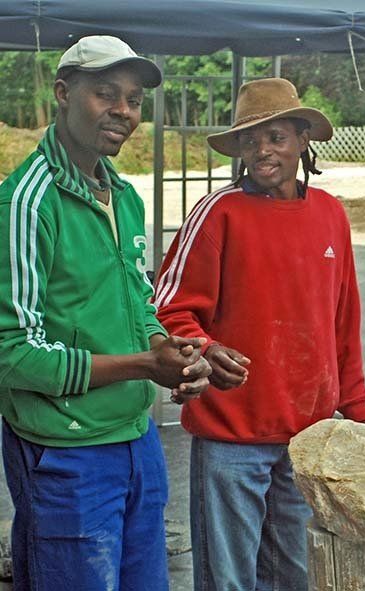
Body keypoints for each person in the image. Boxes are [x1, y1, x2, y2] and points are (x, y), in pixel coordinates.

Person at [0, 35, 212, 590]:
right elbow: (11, 353)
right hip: (65, 454)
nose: (123, 110)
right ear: (63, 94)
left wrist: (172, 352)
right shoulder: (27, 202)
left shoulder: (124, 196)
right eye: (105, 93)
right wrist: (144, 365)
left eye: (135, 99)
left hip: (138, 440)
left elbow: (137, 303)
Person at [153, 77, 365, 591]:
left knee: (294, 577)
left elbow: (344, 319)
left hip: (307, 437)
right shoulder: (218, 212)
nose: (262, 151)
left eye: (275, 136)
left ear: (302, 139)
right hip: (232, 435)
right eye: (250, 141)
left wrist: (357, 410)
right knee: (228, 581)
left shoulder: (331, 214)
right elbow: (168, 308)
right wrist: (204, 347)